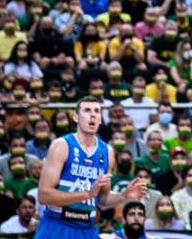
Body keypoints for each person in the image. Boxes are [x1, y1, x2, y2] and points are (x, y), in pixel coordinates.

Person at [34, 96, 147, 239]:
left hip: (87, 228)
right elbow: (44, 195)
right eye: (87, 110)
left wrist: (124, 195)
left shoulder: (107, 152)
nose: (92, 115)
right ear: (76, 117)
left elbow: (103, 200)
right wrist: (86, 194)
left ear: (100, 119)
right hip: (57, 225)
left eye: (97, 111)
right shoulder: (61, 145)